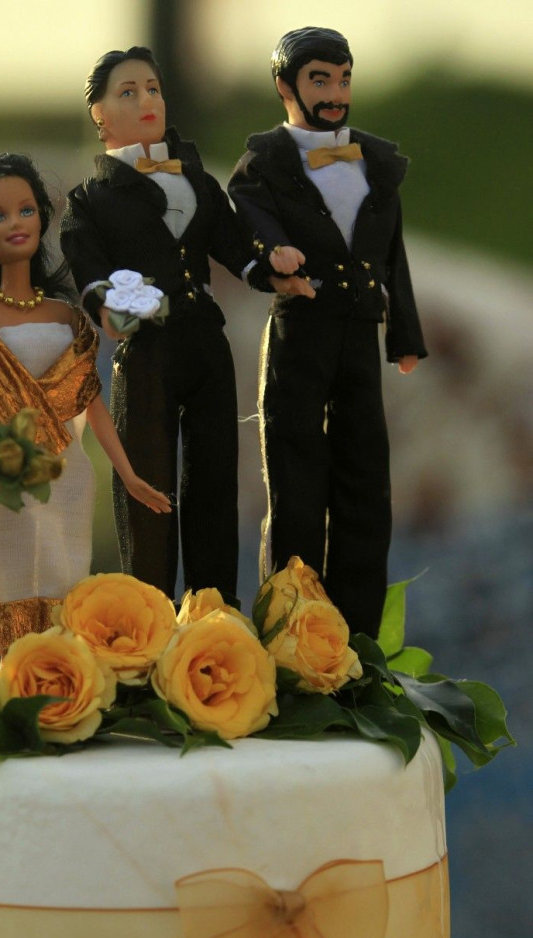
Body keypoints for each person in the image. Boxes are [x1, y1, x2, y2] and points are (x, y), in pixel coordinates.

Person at [229, 27, 427, 637]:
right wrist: (272, 255)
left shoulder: (375, 160)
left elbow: (393, 254)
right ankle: (288, 629)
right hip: (301, 330)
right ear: (286, 86)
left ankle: (357, 639)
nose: (336, 92)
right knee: (294, 477)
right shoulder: (265, 158)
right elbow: (249, 215)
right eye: (321, 79)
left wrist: (404, 336)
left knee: (365, 476)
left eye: (343, 77)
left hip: (360, 332)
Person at [0, 152, 170, 658]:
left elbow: (92, 402)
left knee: (68, 579)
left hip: (69, 470)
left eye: (25, 210)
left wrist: (127, 475)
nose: (15, 224)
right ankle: (21, 683)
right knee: (14, 577)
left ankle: (70, 678)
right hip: (12, 473)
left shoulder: (67, 317)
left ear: (42, 215)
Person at [60, 46, 256, 606]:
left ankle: (216, 607)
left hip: (205, 341)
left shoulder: (197, 180)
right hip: (147, 351)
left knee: (215, 477)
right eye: (128, 92)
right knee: (146, 480)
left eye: (153, 88)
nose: (146, 100)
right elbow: (91, 276)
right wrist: (117, 305)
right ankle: (147, 610)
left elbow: (235, 247)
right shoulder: (91, 200)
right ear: (100, 116)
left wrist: (273, 267)